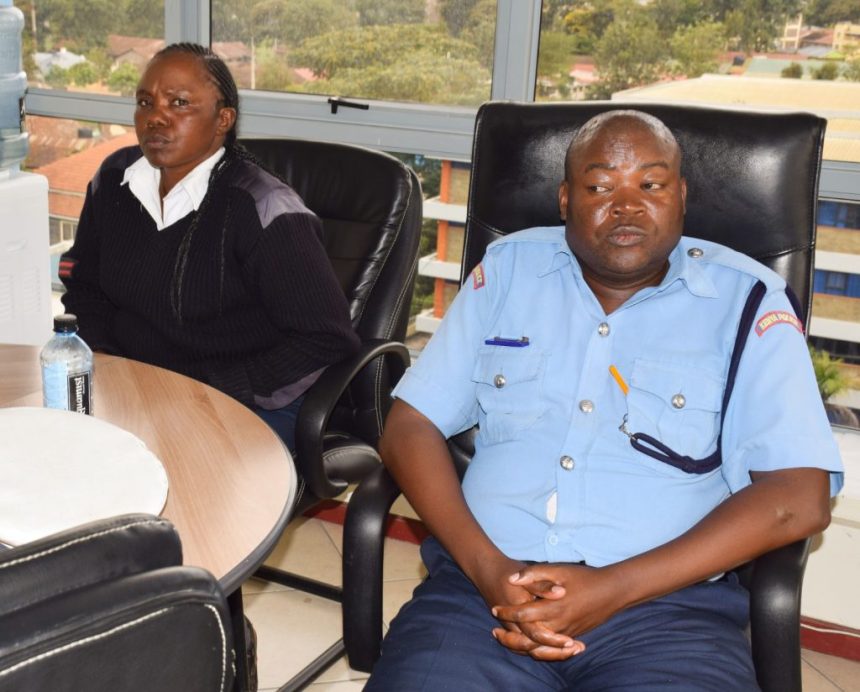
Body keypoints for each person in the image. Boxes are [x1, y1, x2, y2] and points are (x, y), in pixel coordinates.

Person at [367, 110, 844, 691]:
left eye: (651, 184)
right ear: (566, 199)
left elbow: (799, 497)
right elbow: (408, 425)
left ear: (682, 196)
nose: (626, 205)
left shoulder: (747, 301)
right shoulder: (510, 269)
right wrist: (490, 570)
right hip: (482, 598)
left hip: (667, 614)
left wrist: (610, 588)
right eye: (600, 187)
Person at [59, 43, 359, 453]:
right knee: (59, 450)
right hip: (141, 382)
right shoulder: (113, 180)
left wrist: (211, 389)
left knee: (171, 479)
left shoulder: (264, 208)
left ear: (223, 120)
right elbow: (86, 288)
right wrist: (106, 361)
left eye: (179, 103)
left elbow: (326, 338)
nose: (156, 117)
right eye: (145, 102)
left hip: (248, 397)